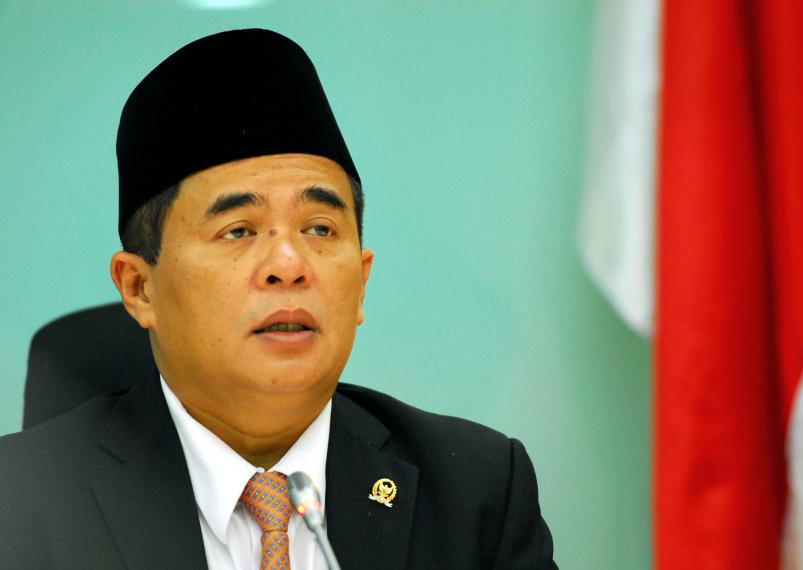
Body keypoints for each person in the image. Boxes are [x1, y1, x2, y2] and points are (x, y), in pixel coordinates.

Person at [0, 29, 556, 569]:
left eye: (319, 229)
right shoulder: (19, 506)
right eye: (238, 230)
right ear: (139, 288)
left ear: (362, 281)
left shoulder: (477, 492)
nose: (289, 265)